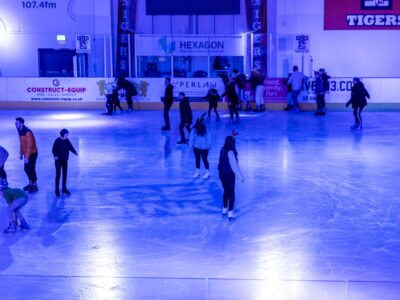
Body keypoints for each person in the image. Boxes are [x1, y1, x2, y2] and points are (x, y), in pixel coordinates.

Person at [218, 134, 244, 219]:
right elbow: (234, 166)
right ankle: (230, 212)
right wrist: (241, 177)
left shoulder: (223, 149)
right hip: (229, 175)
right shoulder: (231, 152)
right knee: (231, 193)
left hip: (221, 174)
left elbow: (220, 162)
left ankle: (224, 209)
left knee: (226, 191)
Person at [15, 117, 39, 193]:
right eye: (15, 123)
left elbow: (29, 145)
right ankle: (30, 183)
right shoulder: (20, 131)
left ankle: (35, 185)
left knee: (31, 169)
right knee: (26, 169)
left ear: (21, 123)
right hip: (26, 154)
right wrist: (21, 153)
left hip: (32, 153)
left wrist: (27, 157)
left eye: (17, 123)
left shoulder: (27, 132)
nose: (16, 124)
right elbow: (22, 144)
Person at [52, 129, 78, 196]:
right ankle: (57, 189)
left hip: (65, 160)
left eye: (67, 135)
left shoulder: (67, 140)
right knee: (58, 175)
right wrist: (55, 156)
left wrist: (75, 152)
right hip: (58, 161)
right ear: (62, 135)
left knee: (64, 174)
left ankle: (64, 188)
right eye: (66, 135)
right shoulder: (57, 140)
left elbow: (70, 147)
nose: (67, 136)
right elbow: (53, 149)